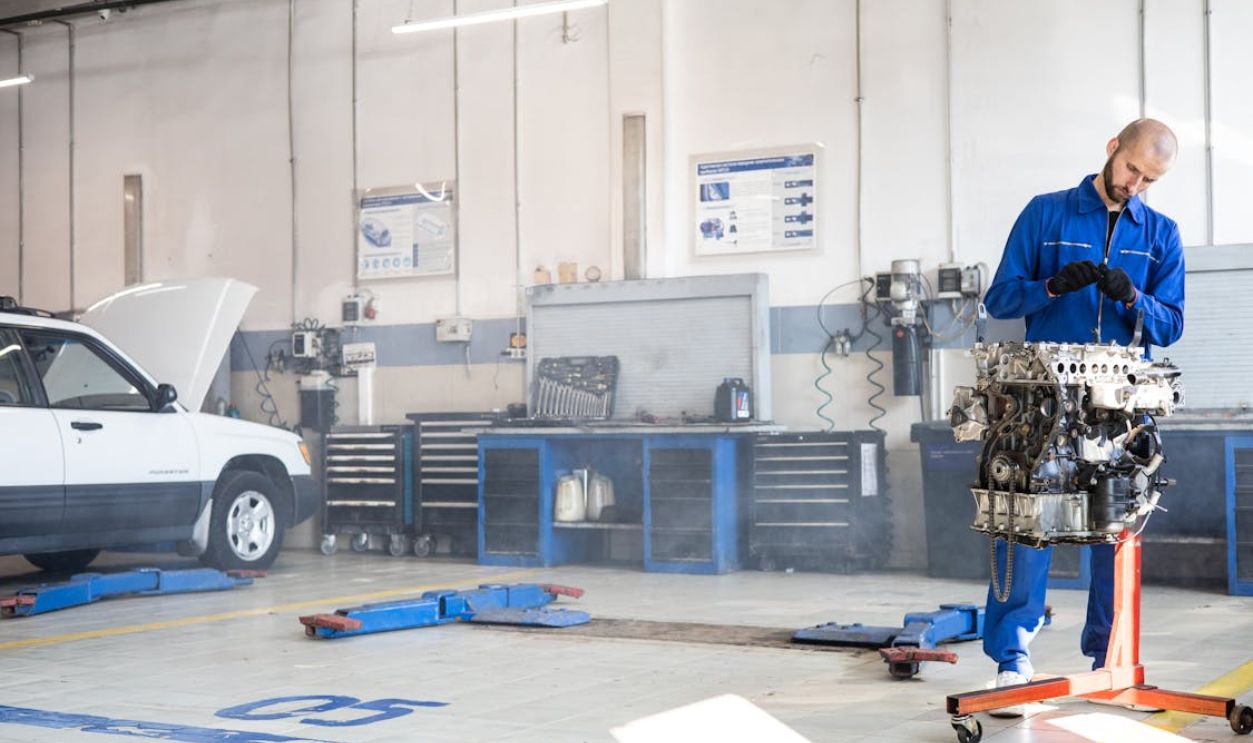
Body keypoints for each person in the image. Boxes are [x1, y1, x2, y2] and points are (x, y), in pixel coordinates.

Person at [980, 118, 1186, 716]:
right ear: (1111, 150)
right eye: (1131, 170)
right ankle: (1011, 661)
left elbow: (1171, 323)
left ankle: (1110, 661)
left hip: (1118, 406)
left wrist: (1133, 298)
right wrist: (1048, 288)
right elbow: (1000, 299)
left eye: (1150, 180)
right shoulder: (1046, 214)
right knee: (1026, 526)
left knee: (1117, 531)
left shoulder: (1161, 234)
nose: (1135, 186)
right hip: (1042, 401)